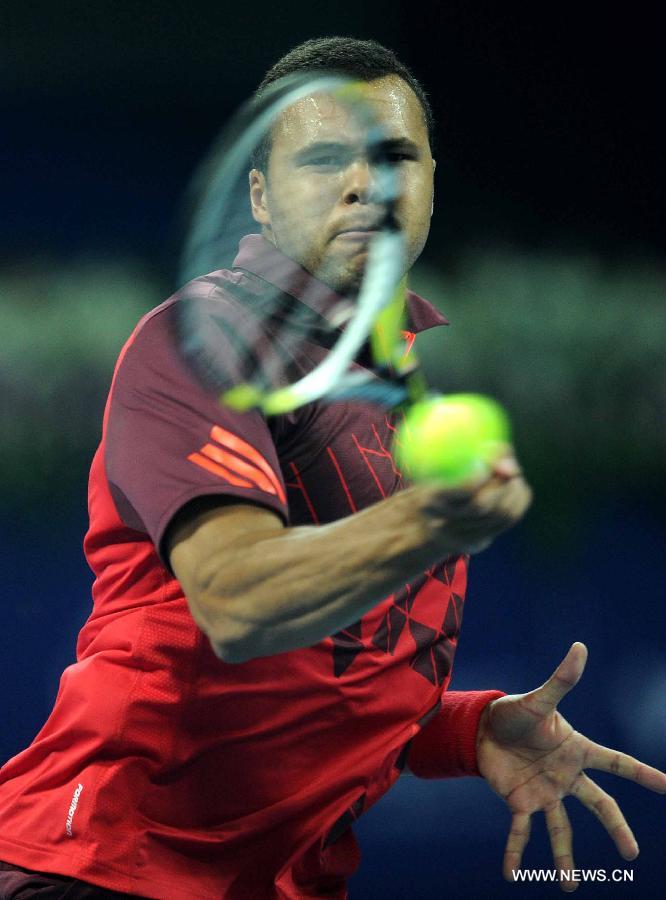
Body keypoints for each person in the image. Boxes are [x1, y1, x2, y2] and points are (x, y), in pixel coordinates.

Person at [0, 37, 663, 900]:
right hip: (106, 866)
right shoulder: (199, 345)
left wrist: (468, 732)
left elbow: (346, 666)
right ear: (261, 200)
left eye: (394, 157)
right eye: (324, 159)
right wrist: (427, 521)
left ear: (431, 184)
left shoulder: (405, 397)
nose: (366, 184)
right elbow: (237, 603)